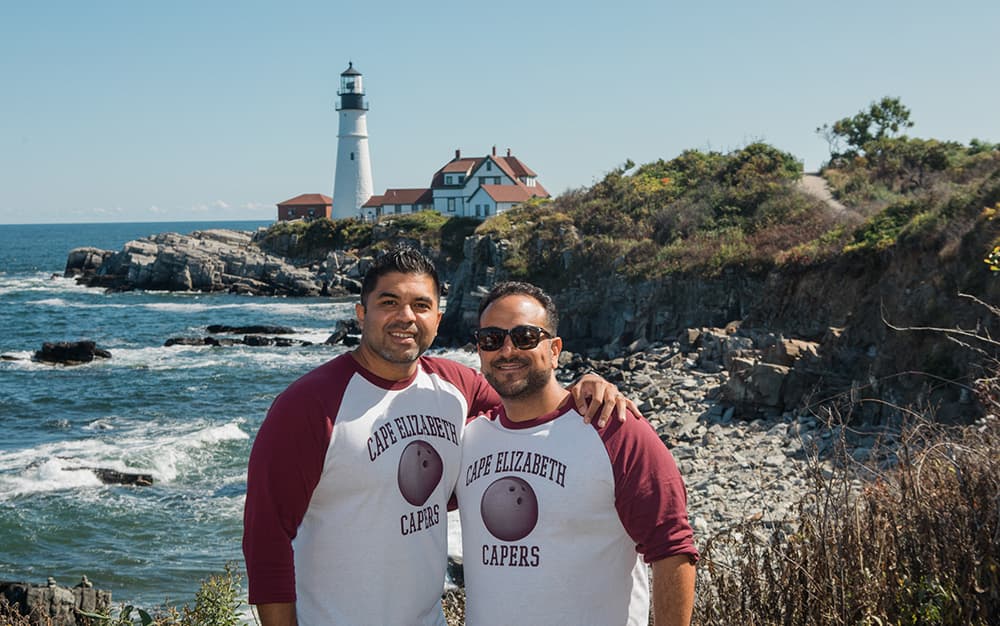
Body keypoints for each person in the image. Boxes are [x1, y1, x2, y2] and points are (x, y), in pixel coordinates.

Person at [243, 247, 635, 626]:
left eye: (420, 305)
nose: (405, 317)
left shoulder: (456, 387)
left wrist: (587, 387)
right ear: (361, 313)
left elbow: (529, 403)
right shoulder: (308, 406)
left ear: (438, 318)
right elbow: (266, 539)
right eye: (389, 302)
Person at [457, 281, 698, 625]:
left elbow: (673, 549)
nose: (507, 351)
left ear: (555, 350)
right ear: (479, 351)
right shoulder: (468, 439)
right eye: (491, 340)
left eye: (525, 337)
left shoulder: (613, 428)